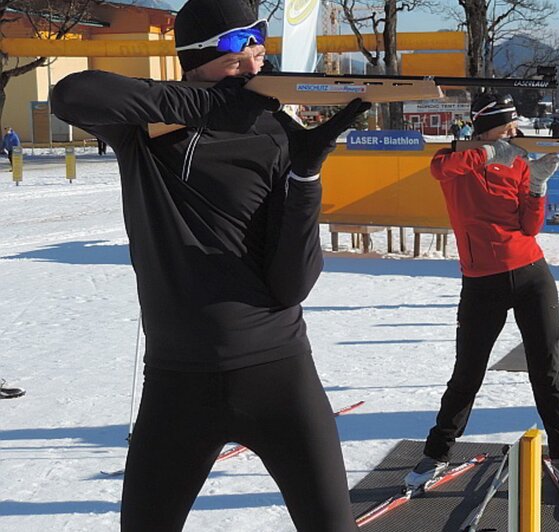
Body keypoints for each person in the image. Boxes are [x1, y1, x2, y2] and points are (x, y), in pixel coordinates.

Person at [50, 0, 370, 530]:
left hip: (279, 375)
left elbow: (293, 282)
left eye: (259, 50)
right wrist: (208, 106)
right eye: (235, 52)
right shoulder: (143, 133)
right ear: (194, 56)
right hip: (177, 382)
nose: (253, 65)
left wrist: (306, 178)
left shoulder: (275, 136)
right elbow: (72, 94)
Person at [407, 93, 559, 494]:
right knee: (467, 373)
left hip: (531, 274)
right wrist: (488, 151)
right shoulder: (456, 159)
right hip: (481, 282)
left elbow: (530, 226)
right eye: (509, 127)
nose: (516, 133)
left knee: (546, 371)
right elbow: (441, 170)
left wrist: (537, 186)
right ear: (492, 127)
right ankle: (436, 453)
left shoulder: (520, 161)